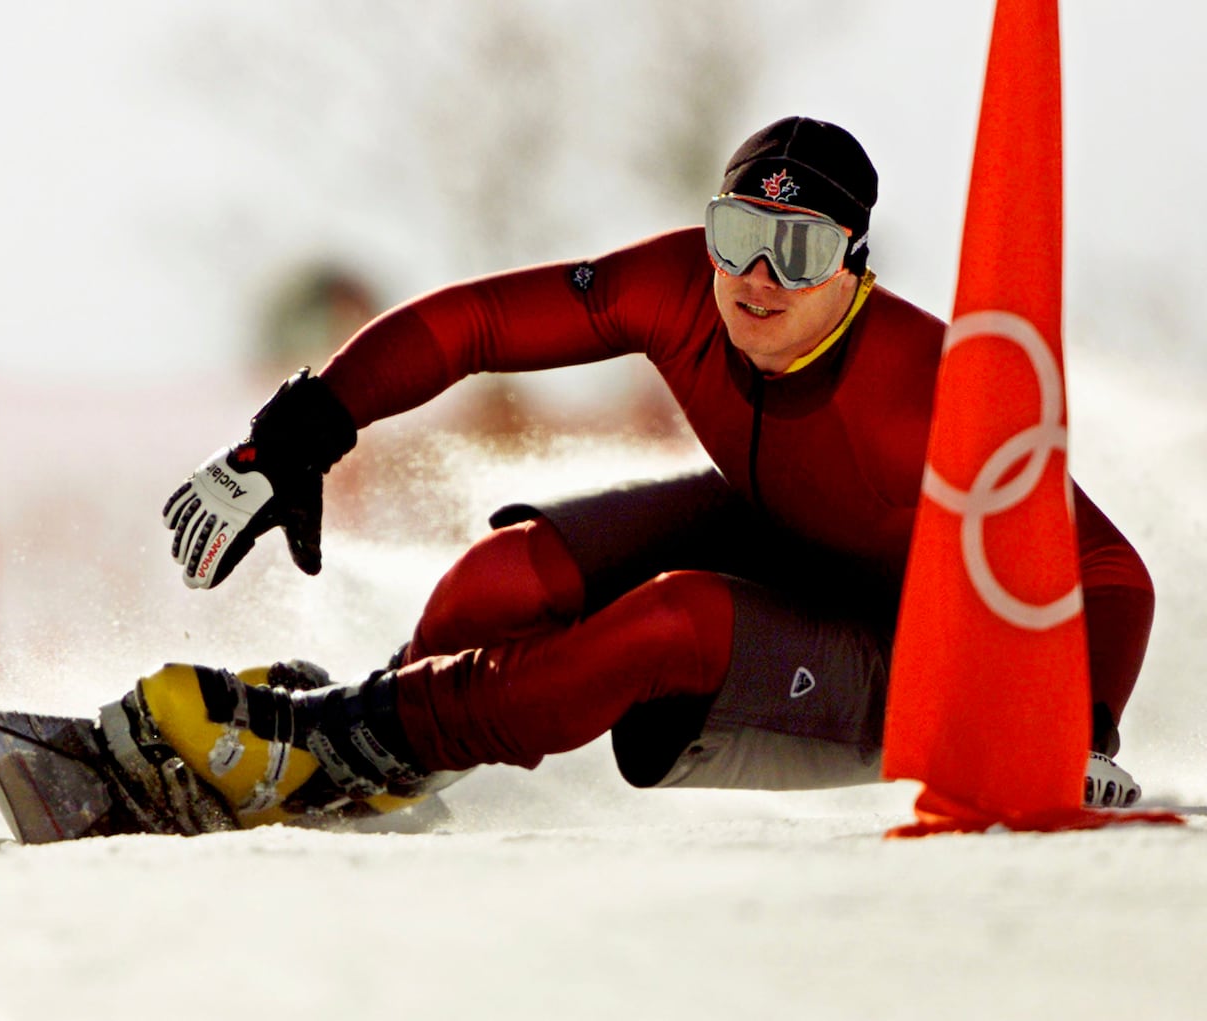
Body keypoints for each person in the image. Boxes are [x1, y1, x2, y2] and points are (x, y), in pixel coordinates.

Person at [144, 116, 1150, 833]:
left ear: (853, 263)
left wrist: (1085, 731)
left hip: (898, 652)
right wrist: (298, 432)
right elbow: (478, 323)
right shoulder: (677, 285)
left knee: (671, 621)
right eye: (737, 237)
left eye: (794, 250)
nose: (756, 279)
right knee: (506, 573)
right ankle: (381, 743)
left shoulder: (927, 391)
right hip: (773, 528)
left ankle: (334, 738)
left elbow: (1110, 570)